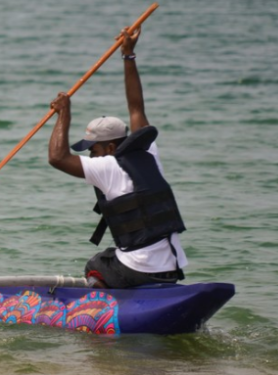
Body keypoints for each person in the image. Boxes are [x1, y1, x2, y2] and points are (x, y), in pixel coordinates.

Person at [47, 27, 188, 289]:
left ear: (111, 147)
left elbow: (57, 158)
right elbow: (136, 106)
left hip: (140, 269)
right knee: (116, 255)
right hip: (172, 267)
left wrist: (63, 113)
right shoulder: (149, 153)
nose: (90, 154)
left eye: (93, 148)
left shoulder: (109, 167)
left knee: (96, 264)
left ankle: (98, 311)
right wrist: (129, 55)